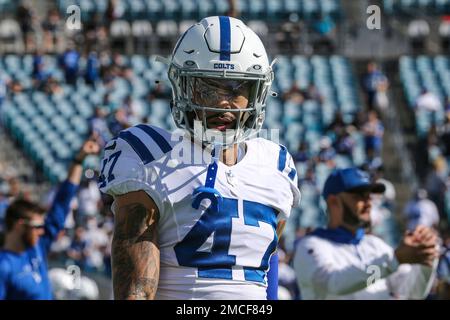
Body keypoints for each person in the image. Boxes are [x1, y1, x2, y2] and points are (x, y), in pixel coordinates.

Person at [98, 16, 300, 300]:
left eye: (237, 88)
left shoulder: (275, 164)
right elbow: (136, 292)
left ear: (258, 92)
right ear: (183, 86)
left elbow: (266, 268)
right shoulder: (152, 157)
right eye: (207, 86)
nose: (222, 102)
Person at [293, 167, 439, 300]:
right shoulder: (310, 246)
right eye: (359, 196)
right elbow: (335, 283)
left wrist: (426, 262)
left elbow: (411, 293)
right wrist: (395, 259)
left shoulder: (375, 245)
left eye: (369, 196)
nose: (368, 203)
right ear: (333, 202)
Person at [0, 140, 99, 299]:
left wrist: (79, 160)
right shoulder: (4, 266)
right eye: (37, 226)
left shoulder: (36, 248)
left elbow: (61, 204)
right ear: (19, 225)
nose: (41, 230)